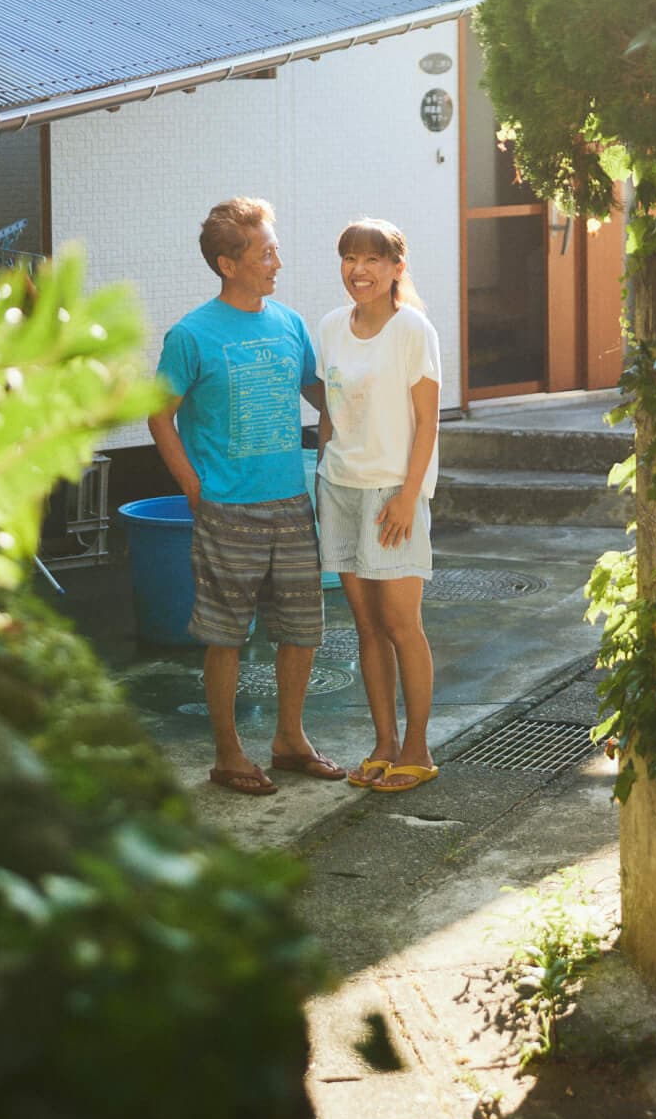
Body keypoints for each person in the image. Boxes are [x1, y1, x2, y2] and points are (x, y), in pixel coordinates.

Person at [148, 197, 346, 796]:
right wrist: (193, 487)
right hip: (226, 508)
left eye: (275, 250)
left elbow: (324, 396)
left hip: (290, 502)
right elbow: (159, 417)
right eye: (265, 253)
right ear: (228, 265)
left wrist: (333, 460)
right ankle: (228, 754)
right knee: (226, 634)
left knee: (302, 629)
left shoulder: (289, 324)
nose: (277, 263)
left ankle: (290, 741)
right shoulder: (190, 335)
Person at [315, 217, 441, 793]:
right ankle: (384, 743)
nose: (358, 270)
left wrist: (409, 497)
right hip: (340, 487)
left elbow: (428, 423)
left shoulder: (412, 329)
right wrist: (322, 471)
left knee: (401, 624)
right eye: (350, 258)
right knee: (366, 625)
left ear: (396, 268)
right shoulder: (330, 326)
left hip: (394, 492)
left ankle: (418, 748)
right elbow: (331, 412)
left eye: (372, 259)